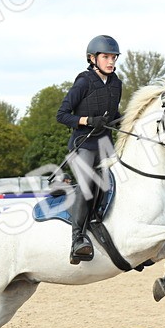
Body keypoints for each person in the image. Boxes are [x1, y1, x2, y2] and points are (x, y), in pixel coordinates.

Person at [56, 34, 123, 264]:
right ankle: (77, 239)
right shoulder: (83, 82)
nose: (111, 61)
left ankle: (102, 226)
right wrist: (87, 120)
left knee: (113, 184)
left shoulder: (116, 84)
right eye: (106, 57)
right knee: (88, 186)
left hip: (105, 146)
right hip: (82, 144)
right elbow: (62, 115)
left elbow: (114, 116)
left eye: (113, 57)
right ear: (92, 58)